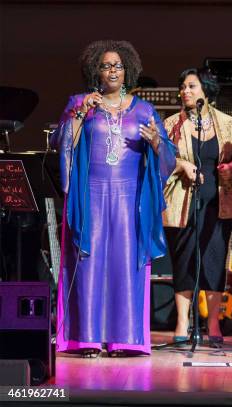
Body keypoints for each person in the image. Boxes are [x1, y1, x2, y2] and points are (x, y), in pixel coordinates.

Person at [52, 40, 176, 357]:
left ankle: (126, 338)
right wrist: (79, 114)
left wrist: (157, 144)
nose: (112, 71)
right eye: (106, 65)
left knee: (126, 265)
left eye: (117, 66)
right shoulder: (80, 103)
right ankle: (86, 337)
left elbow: (168, 157)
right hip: (90, 193)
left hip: (128, 197)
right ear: (96, 70)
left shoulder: (144, 109)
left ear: (128, 71)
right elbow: (60, 142)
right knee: (88, 262)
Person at [162, 68, 232, 345]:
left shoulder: (225, 122)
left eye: (191, 86)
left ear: (205, 91)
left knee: (214, 262)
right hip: (183, 202)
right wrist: (182, 165)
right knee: (184, 262)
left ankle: (214, 324)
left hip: (219, 202)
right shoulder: (172, 124)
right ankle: (181, 324)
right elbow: (160, 158)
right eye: (183, 87)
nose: (185, 91)